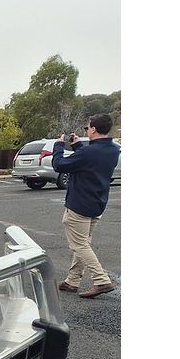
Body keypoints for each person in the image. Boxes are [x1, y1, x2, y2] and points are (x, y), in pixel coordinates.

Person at [51, 114, 121, 298]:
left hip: (79, 204)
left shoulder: (89, 152)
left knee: (80, 245)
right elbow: (90, 163)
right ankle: (72, 281)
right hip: (97, 203)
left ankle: (102, 280)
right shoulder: (113, 150)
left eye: (86, 128)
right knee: (83, 243)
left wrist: (58, 145)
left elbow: (59, 165)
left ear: (94, 129)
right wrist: (77, 147)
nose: (86, 130)